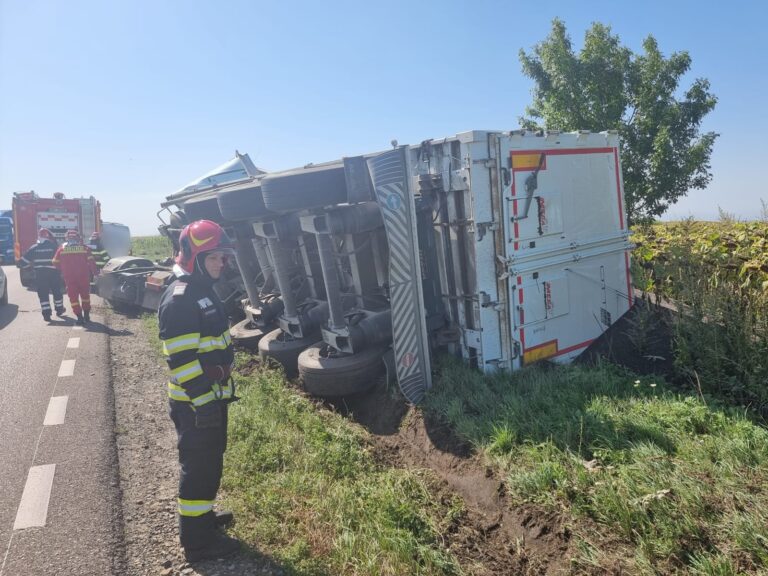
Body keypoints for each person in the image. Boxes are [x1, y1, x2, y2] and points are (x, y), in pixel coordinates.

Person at [157, 220, 240, 562]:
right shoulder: (182, 297)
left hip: (209, 399)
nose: (222, 263)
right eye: (215, 257)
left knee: (209, 464)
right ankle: (197, 543)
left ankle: (203, 519)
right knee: (199, 467)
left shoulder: (201, 287)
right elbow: (182, 360)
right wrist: (204, 402)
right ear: (194, 256)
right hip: (196, 403)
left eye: (223, 257)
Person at [19, 228, 66, 321]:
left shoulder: (34, 247)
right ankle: (59, 309)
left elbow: (22, 262)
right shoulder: (54, 246)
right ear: (48, 237)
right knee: (57, 291)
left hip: (40, 274)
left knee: (43, 294)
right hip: (54, 273)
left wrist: (29, 268)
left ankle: (46, 314)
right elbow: (62, 259)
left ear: (39, 237)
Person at [53, 229, 98, 325]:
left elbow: (55, 262)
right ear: (78, 238)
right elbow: (91, 262)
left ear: (67, 238)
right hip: (84, 277)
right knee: (85, 297)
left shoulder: (61, 248)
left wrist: (63, 269)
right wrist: (95, 273)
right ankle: (86, 316)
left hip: (69, 278)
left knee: (73, 299)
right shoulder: (85, 248)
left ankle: (79, 317)